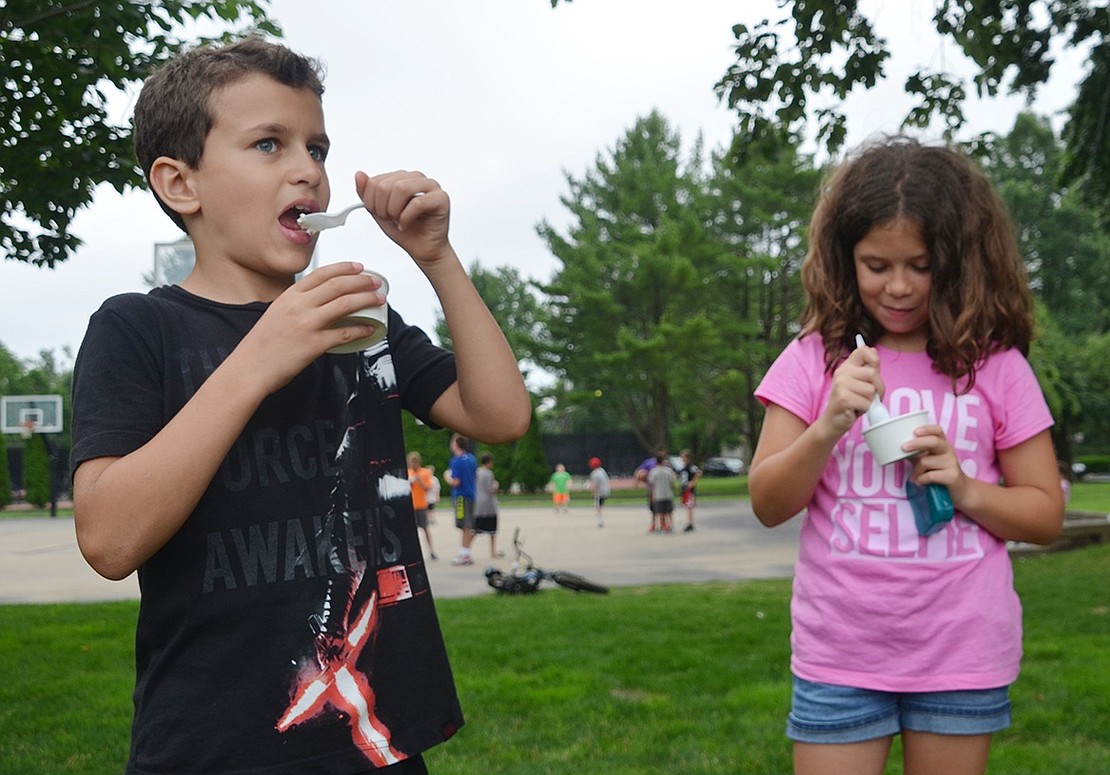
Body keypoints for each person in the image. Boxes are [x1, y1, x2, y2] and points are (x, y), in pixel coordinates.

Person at [69, 37, 530, 775]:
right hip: (211, 750)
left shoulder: (358, 320)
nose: (308, 171)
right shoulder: (136, 328)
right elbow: (109, 540)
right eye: (268, 144)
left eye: (316, 146)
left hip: (374, 740)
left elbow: (502, 415)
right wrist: (259, 355)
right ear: (179, 183)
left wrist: (436, 257)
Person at [747, 136, 1064, 775]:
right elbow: (768, 503)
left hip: (961, 649)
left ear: (959, 259)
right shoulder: (813, 360)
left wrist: (967, 488)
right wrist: (827, 425)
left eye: (920, 265)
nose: (898, 287)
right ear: (846, 259)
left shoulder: (996, 367)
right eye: (875, 264)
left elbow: (1045, 516)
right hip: (840, 652)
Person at [445, 434, 478, 566]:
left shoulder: (456, 461)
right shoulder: (471, 459)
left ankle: (465, 554)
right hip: (471, 495)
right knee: (468, 524)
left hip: (460, 497)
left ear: (457, 444)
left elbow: (456, 482)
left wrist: (447, 477)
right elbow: (475, 477)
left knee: (464, 525)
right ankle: (465, 552)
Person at [473, 451, 503, 558]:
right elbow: (490, 489)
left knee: (476, 529)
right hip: (489, 504)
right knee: (492, 530)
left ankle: (467, 548)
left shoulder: (476, 472)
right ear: (489, 462)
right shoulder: (489, 474)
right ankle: (493, 551)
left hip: (478, 504)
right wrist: (496, 485)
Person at [408, 451, 436, 560]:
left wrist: (419, 481)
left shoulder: (424, 473)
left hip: (421, 505)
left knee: (425, 528)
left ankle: (431, 550)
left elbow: (428, 487)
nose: (413, 465)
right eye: (412, 462)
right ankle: (412, 552)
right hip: (410, 506)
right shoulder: (407, 473)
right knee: (411, 531)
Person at [646, 452, 676, 533]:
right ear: (663, 461)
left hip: (658, 494)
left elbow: (652, 485)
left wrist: (652, 496)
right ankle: (670, 524)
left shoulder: (653, 472)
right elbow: (671, 483)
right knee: (668, 511)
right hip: (668, 494)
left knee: (660, 512)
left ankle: (663, 525)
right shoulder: (668, 471)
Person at [676, 449, 702, 532]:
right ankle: (689, 522)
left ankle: (690, 523)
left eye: (684, 457)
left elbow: (699, 472)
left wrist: (693, 482)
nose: (682, 459)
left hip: (689, 490)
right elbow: (679, 476)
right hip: (684, 489)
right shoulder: (683, 468)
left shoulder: (691, 467)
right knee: (687, 506)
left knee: (689, 506)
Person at [586, 456, 611, 528]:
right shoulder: (602, 470)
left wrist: (593, 493)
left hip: (599, 492)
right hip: (606, 490)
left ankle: (600, 521)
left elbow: (595, 485)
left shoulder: (594, 474)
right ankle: (600, 519)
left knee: (597, 506)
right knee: (600, 505)